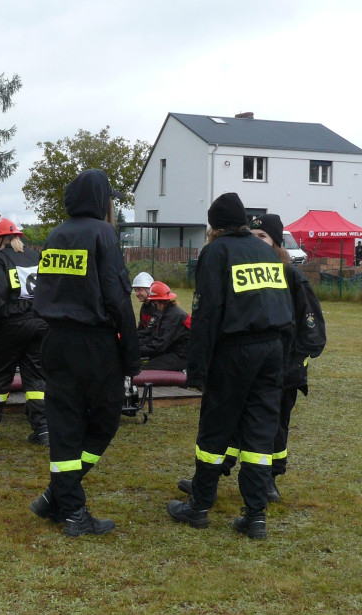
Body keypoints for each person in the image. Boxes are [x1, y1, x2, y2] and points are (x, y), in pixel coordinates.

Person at [166, 192, 292, 540]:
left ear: (214, 226)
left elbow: (206, 314)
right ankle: (255, 517)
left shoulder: (215, 252)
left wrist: (198, 370)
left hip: (234, 350)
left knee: (215, 430)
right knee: (258, 434)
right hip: (272, 350)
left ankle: (199, 506)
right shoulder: (267, 251)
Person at [29, 168, 140, 537]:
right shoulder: (103, 233)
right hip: (95, 344)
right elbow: (117, 297)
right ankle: (70, 507)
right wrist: (132, 354)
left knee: (64, 426)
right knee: (105, 421)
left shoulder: (56, 234)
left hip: (55, 341)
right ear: (102, 200)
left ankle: (59, 500)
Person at [239, 213, 326, 501]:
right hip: (252, 364)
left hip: (285, 368)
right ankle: (213, 474)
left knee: (276, 425)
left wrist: (296, 359)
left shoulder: (291, 275)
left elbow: (311, 323)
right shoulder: (247, 272)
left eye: (262, 237)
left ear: (276, 243)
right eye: (252, 237)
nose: (256, 242)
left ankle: (270, 479)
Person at [0, 217, 48, 445]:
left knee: (1, 376)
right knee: (36, 378)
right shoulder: (36, 257)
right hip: (40, 325)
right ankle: (43, 429)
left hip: (11, 327)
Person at [138, 281, 190, 371]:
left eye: (153, 302)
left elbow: (159, 344)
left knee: (145, 369)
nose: (153, 305)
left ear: (159, 301)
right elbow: (152, 335)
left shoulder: (173, 315)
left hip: (182, 355)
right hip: (169, 350)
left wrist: (134, 350)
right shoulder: (162, 312)